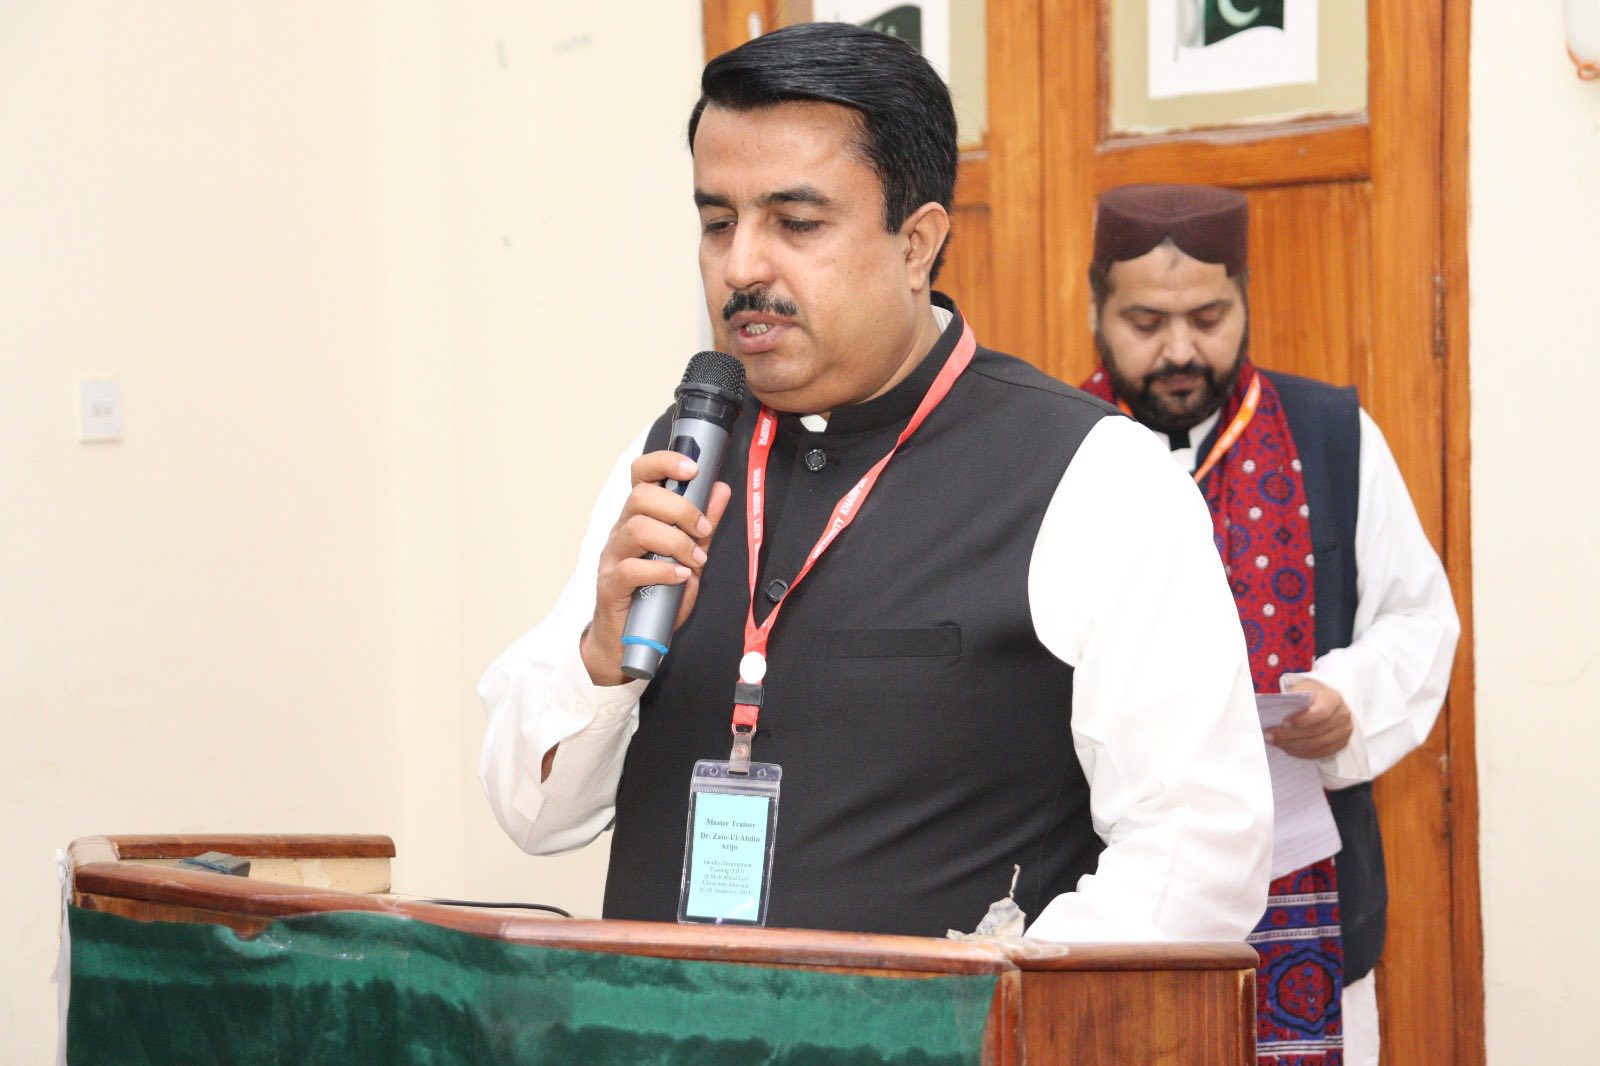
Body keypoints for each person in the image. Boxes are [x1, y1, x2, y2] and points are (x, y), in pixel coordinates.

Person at [481, 24, 1272, 945]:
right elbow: (534, 813)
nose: (741, 266)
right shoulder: (676, 458)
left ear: (916, 243)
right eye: (718, 222)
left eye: (796, 223)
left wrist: (985, 1006)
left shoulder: (1096, 478)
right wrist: (601, 659)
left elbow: (1196, 852)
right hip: (655, 1017)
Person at [1080, 183, 1460, 1065]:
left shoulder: (1333, 435)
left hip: (1313, 914)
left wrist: (1348, 699)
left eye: (1209, 317)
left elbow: (1418, 619)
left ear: (1246, 299)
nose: (1181, 350)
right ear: (1095, 308)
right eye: (1146, 322)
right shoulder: (1056, 448)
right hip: (1107, 911)